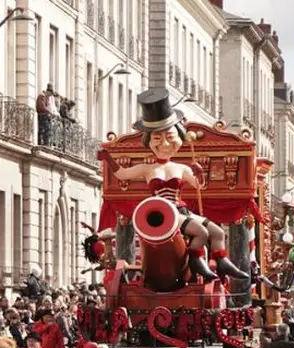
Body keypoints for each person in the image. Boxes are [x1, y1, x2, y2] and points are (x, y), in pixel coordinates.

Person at [101, 87, 247, 280]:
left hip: (181, 210)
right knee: (201, 233)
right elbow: (122, 174)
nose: (164, 144)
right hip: (164, 212)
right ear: (149, 141)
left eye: (170, 137)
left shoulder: (181, 167)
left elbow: (199, 187)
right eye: (157, 139)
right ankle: (196, 261)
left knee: (217, 232)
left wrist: (200, 173)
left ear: (178, 138)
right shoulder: (148, 169)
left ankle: (222, 262)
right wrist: (108, 158)